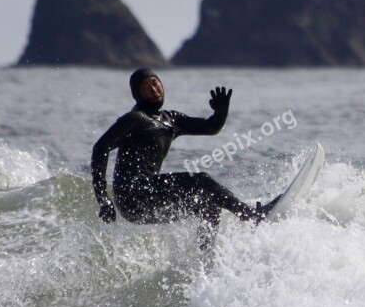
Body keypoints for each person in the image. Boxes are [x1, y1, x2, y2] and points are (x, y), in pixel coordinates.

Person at [91, 68, 278, 249]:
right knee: (200, 180)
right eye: (146, 87)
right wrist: (103, 198)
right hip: (132, 196)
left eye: (155, 83)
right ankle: (250, 215)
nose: (154, 90)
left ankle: (205, 259)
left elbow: (210, 128)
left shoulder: (170, 119)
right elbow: (100, 148)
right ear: (136, 95)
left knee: (209, 204)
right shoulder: (134, 119)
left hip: (148, 197)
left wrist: (221, 114)